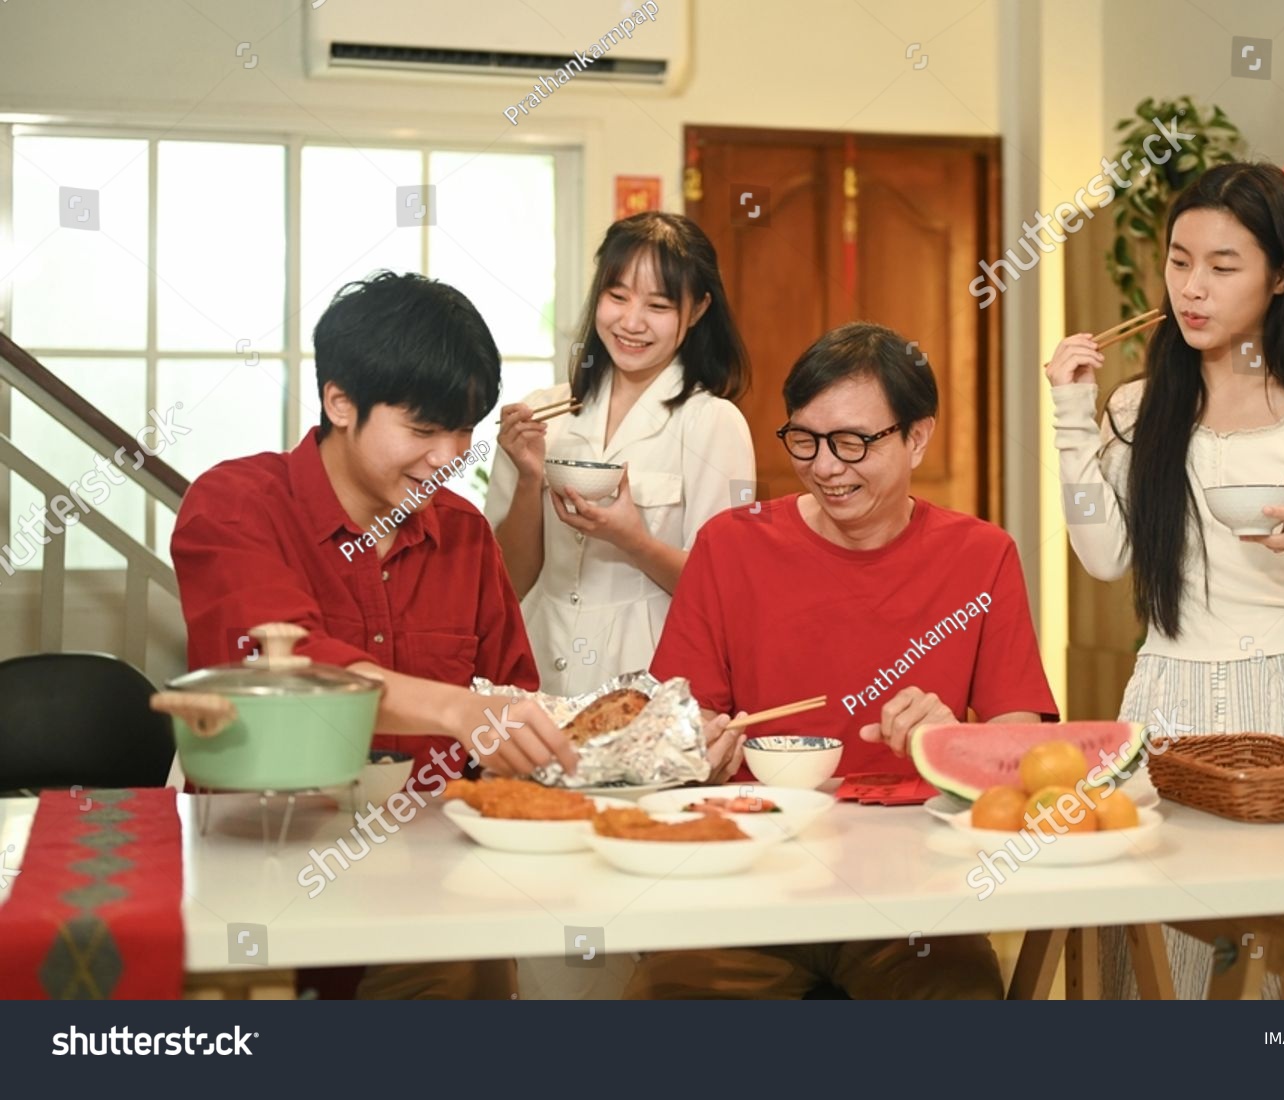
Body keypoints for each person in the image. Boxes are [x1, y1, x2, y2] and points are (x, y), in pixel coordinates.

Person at [172, 271, 578, 999]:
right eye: (423, 430)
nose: (448, 456)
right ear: (340, 402)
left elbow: (509, 693)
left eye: (464, 431)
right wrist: (455, 709)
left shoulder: (462, 536)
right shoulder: (234, 506)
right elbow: (286, 673)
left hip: (430, 884)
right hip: (262, 872)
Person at [624, 321, 1059, 1000]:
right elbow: (675, 726)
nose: (826, 466)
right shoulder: (729, 548)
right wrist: (692, 749)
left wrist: (953, 744)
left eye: (853, 443)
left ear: (917, 437)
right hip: (748, 880)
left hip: (917, 892)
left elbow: (1026, 749)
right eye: (805, 440)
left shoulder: (981, 556)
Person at [1045, 162, 1284, 999]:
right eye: (1179, 260)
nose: (1192, 287)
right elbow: (1103, 557)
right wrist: (1069, 414)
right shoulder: (1139, 408)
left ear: (1280, 276)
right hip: (1166, 694)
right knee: (1154, 966)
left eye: (1222, 265)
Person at [485, 212, 754, 698]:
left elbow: (727, 591)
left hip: (648, 683)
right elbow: (509, 581)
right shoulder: (544, 412)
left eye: (658, 304)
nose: (632, 322)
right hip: (537, 673)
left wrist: (635, 541)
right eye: (617, 296)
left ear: (696, 311)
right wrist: (528, 480)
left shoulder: (713, 423)